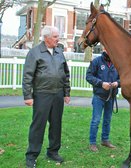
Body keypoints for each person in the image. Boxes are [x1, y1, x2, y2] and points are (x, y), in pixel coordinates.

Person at [23, 26, 71, 168]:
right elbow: (27, 76)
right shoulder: (35, 53)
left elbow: (65, 74)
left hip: (58, 94)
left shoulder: (59, 52)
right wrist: (27, 96)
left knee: (56, 125)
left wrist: (66, 92)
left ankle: (53, 151)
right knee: (38, 126)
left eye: (58, 36)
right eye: (55, 37)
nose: (58, 39)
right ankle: (31, 156)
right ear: (46, 38)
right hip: (41, 94)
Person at [86, 48, 120, 152]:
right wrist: (101, 83)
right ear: (104, 49)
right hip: (99, 96)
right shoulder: (96, 61)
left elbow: (122, 77)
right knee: (96, 120)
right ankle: (92, 143)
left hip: (111, 96)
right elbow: (88, 76)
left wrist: (117, 83)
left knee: (107, 120)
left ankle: (105, 140)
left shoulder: (117, 62)